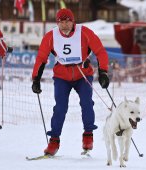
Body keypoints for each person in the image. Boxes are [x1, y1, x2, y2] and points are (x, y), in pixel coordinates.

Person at [31, 8, 109, 156]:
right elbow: (41, 58)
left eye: (68, 21)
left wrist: (103, 72)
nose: (65, 25)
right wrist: (36, 79)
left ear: (73, 21)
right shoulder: (51, 36)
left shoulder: (84, 32)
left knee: (87, 103)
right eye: (61, 22)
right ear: (57, 23)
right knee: (60, 107)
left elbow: (100, 51)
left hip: (82, 74)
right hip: (62, 76)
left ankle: (88, 135)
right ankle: (54, 141)